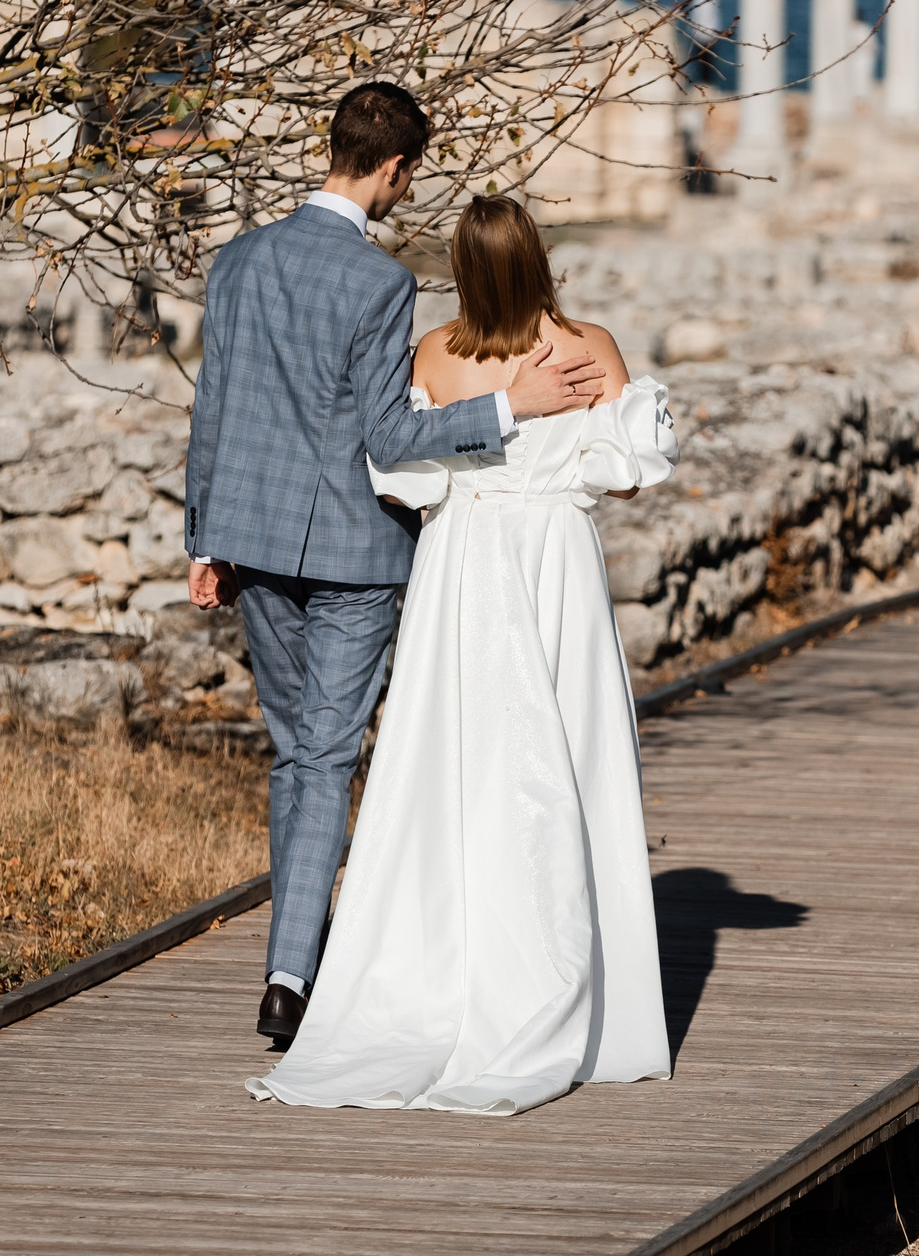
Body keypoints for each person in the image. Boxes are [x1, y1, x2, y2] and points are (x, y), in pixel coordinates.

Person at [182, 82, 606, 1049]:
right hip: (352, 552)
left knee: (299, 753)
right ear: (394, 168)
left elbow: (215, 408)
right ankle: (290, 976)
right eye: (407, 176)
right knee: (324, 754)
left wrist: (204, 537)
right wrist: (511, 408)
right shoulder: (379, 283)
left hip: (247, 542)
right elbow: (389, 433)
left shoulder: (237, 260)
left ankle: (300, 952)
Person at [246, 194, 677, 1116]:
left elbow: (399, 480)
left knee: (458, 769)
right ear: (537, 259)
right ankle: (579, 996)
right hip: (555, 560)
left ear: (465, 270)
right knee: (569, 759)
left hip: (465, 564)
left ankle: (446, 970)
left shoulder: (436, 356)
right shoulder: (589, 347)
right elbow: (633, 475)